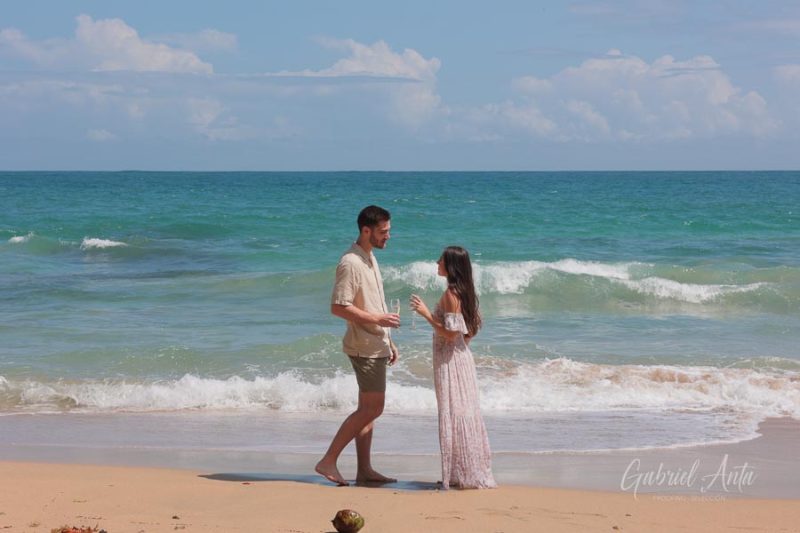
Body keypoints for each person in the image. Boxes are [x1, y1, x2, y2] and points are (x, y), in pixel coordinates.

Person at [315, 205, 400, 486]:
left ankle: (364, 470)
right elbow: (339, 307)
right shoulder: (350, 262)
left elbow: (374, 303)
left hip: (376, 342)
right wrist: (378, 320)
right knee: (372, 409)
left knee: (367, 409)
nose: (388, 236)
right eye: (383, 231)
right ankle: (328, 460)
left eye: (388, 230)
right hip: (364, 346)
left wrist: (389, 340)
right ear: (366, 231)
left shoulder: (369, 257)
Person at [410, 246, 496, 489]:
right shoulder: (465, 293)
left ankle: (461, 474)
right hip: (461, 358)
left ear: (451, 266)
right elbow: (470, 332)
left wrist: (426, 314)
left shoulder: (451, 294)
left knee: (453, 414)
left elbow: (450, 334)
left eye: (441, 260)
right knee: (464, 413)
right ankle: (465, 472)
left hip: (450, 361)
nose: (437, 262)